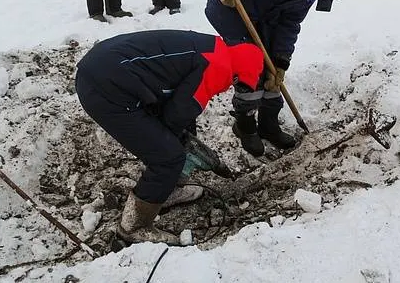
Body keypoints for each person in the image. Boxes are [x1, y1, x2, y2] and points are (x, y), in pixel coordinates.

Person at [75, 30, 264, 244]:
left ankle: (167, 189)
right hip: (107, 88)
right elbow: (177, 114)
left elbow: (180, 102)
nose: (231, 87)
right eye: (237, 83)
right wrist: (176, 150)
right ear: (240, 72)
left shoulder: (212, 46)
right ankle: (134, 226)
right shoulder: (219, 66)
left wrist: (183, 139)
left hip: (104, 68)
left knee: (173, 139)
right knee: (167, 157)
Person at [205, 0, 361, 157]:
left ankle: (268, 126)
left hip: (264, 23)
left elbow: (289, 23)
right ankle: (245, 126)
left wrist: (280, 61)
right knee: (251, 71)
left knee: (271, 75)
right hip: (232, 9)